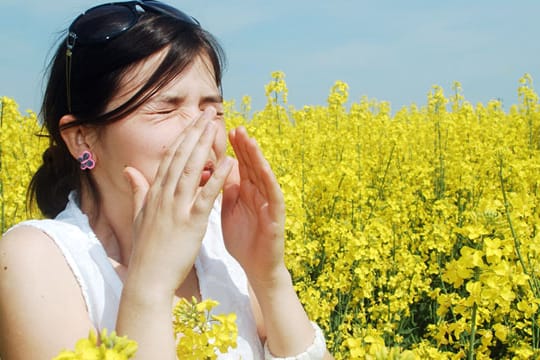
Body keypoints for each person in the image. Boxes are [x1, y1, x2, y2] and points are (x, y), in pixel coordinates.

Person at [0, 1, 334, 359]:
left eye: (214, 110)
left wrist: (268, 275)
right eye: (166, 108)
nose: (203, 130)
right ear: (82, 138)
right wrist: (150, 288)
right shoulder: (35, 262)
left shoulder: (223, 247)